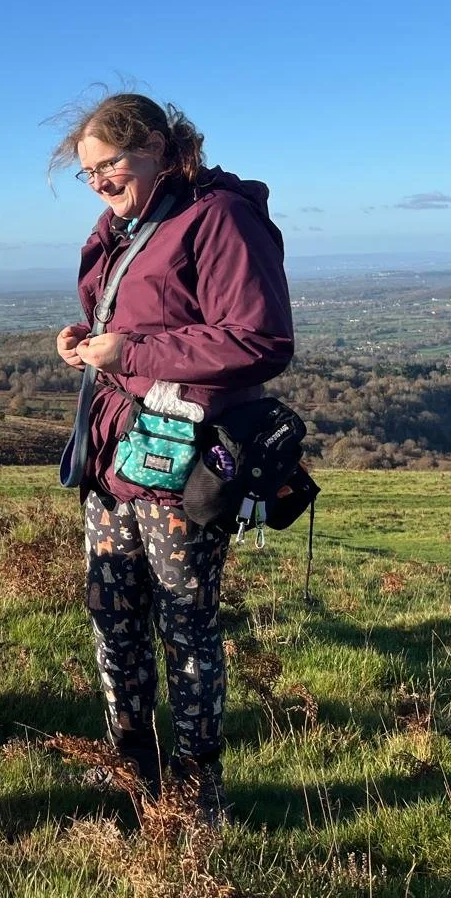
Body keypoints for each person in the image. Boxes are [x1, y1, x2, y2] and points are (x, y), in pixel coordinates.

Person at [51, 91, 294, 824]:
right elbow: (137, 315)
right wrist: (90, 339)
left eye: (110, 163)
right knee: (112, 619)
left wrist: (134, 350)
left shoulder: (219, 217)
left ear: (158, 143)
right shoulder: (128, 223)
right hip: (111, 456)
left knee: (187, 629)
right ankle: (128, 777)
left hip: (180, 464)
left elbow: (260, 339)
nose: (98, 181)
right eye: (87, 172)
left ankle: (196, 798)